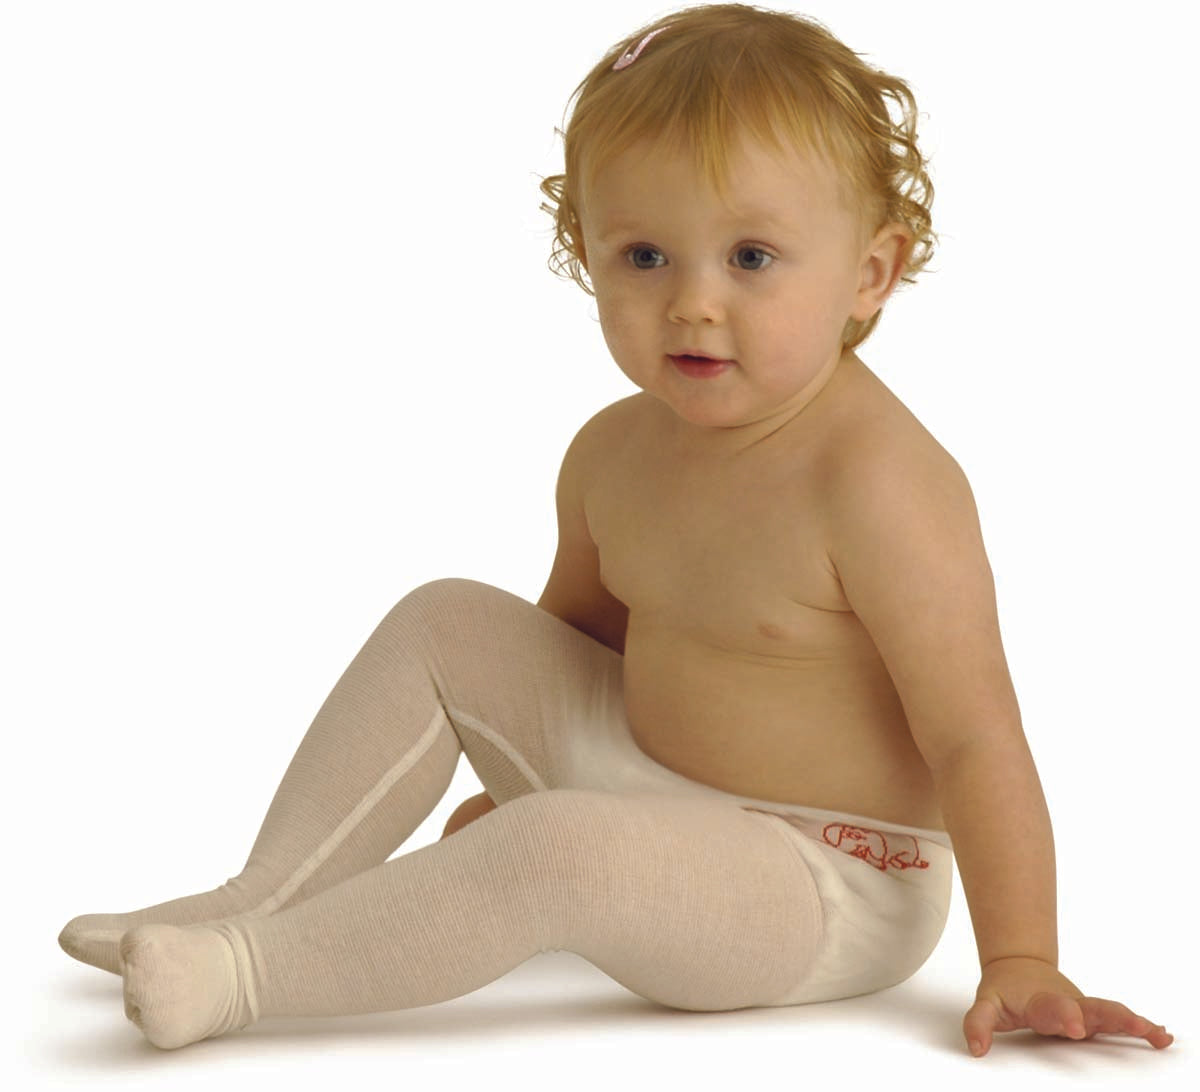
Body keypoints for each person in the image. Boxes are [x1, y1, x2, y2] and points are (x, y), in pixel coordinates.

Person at [58, 3, 1173, 1057]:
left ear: (869, 274)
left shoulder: (879, 484)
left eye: (750, 257)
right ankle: (260, 894)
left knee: (559, 852)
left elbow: (976, 737)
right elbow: (576, 641)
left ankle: (242, 976)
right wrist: (526, 768)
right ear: (585, 250)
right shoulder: (612, 451)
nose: (692, 302)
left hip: (822, 875)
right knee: (447, 619)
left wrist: (1022, 955)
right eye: (644, 257)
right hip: (646, 774)